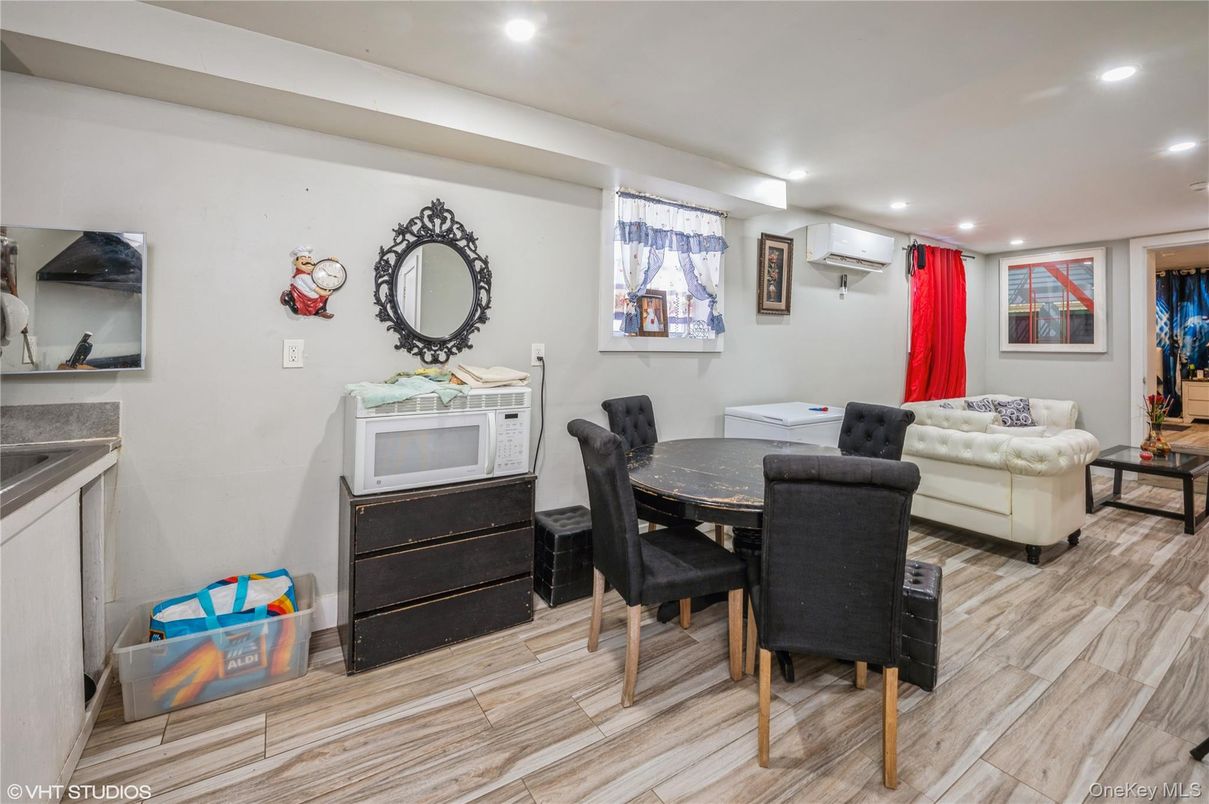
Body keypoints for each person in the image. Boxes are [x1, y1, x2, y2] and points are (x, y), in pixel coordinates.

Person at [280, 246, 334, 319]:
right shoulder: (303, 276)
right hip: (304, 298)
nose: (307, 261)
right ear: (296, 263)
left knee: (323, 299)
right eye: (303, 259)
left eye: (309, 259)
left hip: (312, 297)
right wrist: (326, 293)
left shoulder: (311, 274)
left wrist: (331, 262)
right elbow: (317, 289)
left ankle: (320, 311)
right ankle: (288, 297)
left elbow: (323, 269)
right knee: (297, 309)